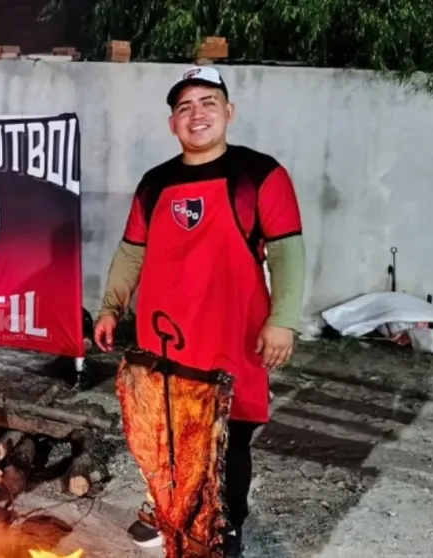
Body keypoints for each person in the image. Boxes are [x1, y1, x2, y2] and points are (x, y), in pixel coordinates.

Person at [93, 65, 306, 557]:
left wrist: (283, 320)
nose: (197, 114)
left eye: (209, 102)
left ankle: (222, 528)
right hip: (163, 336)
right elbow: (132, 251)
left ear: (229, 111)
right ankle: (166, 510)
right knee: (164, 433)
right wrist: (110, 308)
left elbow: (287, 251)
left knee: (227, 438)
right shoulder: (155, 183)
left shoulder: (260, 175)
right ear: (172, 123)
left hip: (233, 332)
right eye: (184, 107)